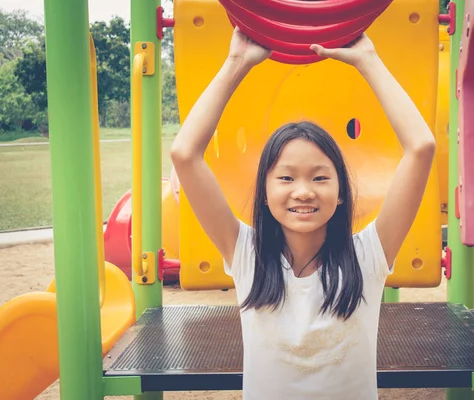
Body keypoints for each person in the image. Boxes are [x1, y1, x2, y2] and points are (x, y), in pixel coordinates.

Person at [170, 27, 436, 400]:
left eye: (320, 177)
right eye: (286, 177)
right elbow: (185, 154)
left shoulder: (368, 256)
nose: (303, 191)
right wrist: (236, 62)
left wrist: (367, 60)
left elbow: (421, 147)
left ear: (341, 192)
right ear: (264, 192)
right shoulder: (246, 254)